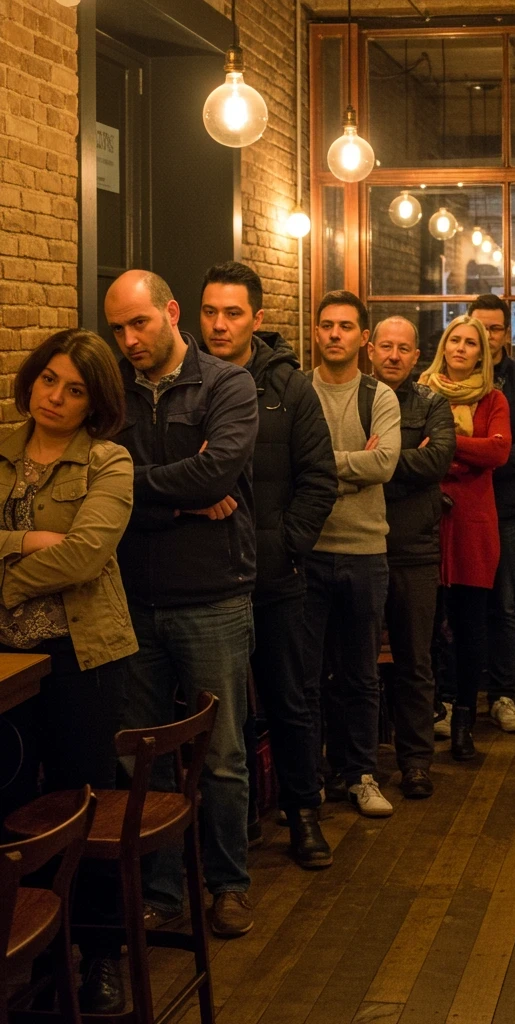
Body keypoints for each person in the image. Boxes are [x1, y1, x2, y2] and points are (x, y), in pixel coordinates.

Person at [105, 269, 259, 939]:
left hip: (213, 595)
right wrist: (180, 503)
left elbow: (218, 471)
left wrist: (132, 490)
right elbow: (95, 485)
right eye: (116, 328)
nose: (128, 339)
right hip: (133, 597)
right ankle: (163, 890)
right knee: (144, 755)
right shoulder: (111, 391)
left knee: (221, 756)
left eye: (139, 323)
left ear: (170, 313)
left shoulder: (227, 383)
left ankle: (229, 885)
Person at [0, 329, 135, 1013]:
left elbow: (85, 556)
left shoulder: (109, 463)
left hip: (82, 654)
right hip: (8, 665)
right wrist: (24, 540)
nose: (56, 396)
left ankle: (101, 954)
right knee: (12, 810)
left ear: (95, 402)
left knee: (85, 806)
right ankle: (25, 952)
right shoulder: (1, 447)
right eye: (49, 379)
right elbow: (56, 546)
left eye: (75, 389)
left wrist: (7, 582)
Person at [199, 261, 336, 869]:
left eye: (232, 313)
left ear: (258, 318)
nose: (219, 324)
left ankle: (303, 815)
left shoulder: (289, 387)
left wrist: (285, 547)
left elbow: (319, 479)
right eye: (210, 312)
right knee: (222, 709)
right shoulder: (188, 382)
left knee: (289, 698)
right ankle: (239, 818)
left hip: (274, 574)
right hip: (203, 576)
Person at [301, 290, 401, 818]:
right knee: (309, 675)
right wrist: (344, 468)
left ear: (363, 338)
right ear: (315, 332)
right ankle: (311, 778)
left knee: (362, 672)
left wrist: (320, 470)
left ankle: (361, 773)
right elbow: (295, 465)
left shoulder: (379, 395)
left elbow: (384, 463)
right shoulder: (297, 392)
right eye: (326, 325)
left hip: (365, 550)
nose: (334, 334)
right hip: (309, 551)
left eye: (345, 326)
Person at [368, 315, 455, 799]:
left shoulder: (433, 403)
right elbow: (334, 456)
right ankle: (358, 765)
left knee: (415, 664)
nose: (394, 355)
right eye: (386, 346)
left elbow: (438, 460)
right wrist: (404, 458)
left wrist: (377, 459)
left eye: (403, 348)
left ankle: (416, 762)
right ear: (371, 349)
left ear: (417, 356)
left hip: (416, 548)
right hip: (359, 543)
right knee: (356, 664)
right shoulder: (356, 399)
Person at [420, 315, 511, 760]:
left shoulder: (493, 398)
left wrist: (444, 445)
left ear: (482, 352)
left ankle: (463, 723)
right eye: (453, 339)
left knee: (471, 626)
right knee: (427, 627)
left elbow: (499, 450)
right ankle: (429, 712)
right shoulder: (421, 390)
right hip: (427, 520)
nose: (460, 347)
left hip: (474, 525)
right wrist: (460, 453)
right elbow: (408, 448)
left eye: (470, 342)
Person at [466, 294, 515, 734]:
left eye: (495, 328)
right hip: (454, 508)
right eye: (480, 327)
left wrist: (481, 460)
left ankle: (501, 694)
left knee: (502, 603)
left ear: (506, 333)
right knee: (454, 607)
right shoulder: (447, 377)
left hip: (504, 507)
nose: (488, 336)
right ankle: (450, 697)